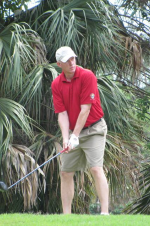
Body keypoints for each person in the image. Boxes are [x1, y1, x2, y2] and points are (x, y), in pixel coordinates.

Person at [51, 46, 109, 215]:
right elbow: (62, 114)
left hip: (94, 129)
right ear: (59, 64)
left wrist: (74, 136)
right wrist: (65, 138)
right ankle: (67, 216)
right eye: (67, 61)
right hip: (73, 133)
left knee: (96, 169)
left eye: (73, 58)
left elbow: (86, 109)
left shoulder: (86, 76)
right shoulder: (56, 84)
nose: (71, 63)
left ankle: (105, 214)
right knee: (65, 172)